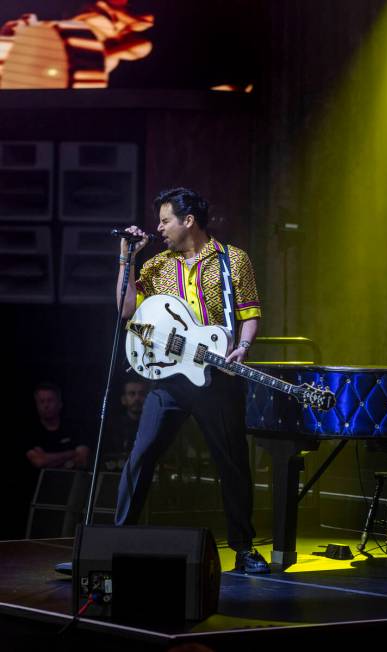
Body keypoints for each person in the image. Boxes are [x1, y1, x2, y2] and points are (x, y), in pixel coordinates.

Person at [115, 187, 269, 573]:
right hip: (169, 379)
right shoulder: (155, 265)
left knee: (231, 462)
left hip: (216, 375)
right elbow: (125, 309)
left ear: (189, 221)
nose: (159, 228)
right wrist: (126, 259)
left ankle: (244, 548)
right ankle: (115, 542)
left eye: (165, 220)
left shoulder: (233, 260)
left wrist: (244, 347)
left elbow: (250, 312)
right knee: (141, 456)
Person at [25, 382, 90, 471]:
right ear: (37, 405)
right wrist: (71, 454)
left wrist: (48, 458)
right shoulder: (31, 432)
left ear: (60, 404)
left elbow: (82, 460)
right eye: (41, 401)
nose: (46, 405)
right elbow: (39, 461)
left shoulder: (74, 428)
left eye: (50, 400)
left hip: (73, 482)